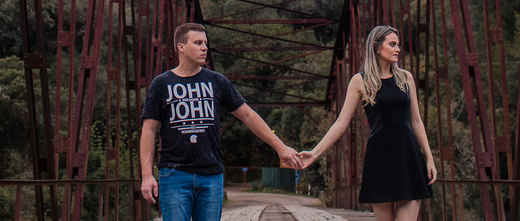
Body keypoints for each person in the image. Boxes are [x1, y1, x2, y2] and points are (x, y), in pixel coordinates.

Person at [140, 22, 304, 221]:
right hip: (174, 174)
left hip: (211, 175)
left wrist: (280, 147)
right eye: (198, 42)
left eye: (206, 43)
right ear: (181, 47)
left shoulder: (216, 81)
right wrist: (147, 175)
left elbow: (248, 115)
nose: (205, 48)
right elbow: (149, 130)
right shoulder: (161, 84)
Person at [299, 25, 436, 221]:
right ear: (376, 46)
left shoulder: (406, 78)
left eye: (398, 45)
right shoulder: (360, 81)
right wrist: (315, 152)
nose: (398, 49)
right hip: (380, 158)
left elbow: (416, 121)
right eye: (392, 44)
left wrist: (429, 159)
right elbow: (341, 123)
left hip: (408, 156)